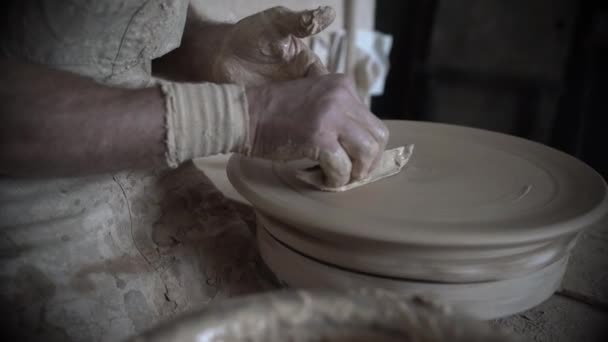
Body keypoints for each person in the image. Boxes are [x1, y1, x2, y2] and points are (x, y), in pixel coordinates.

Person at [0, 1, 388, 341]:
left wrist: (216, 48)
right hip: (32, 222)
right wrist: (247, 116)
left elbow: (99, 28)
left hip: (155, 174)